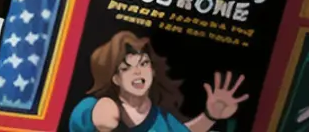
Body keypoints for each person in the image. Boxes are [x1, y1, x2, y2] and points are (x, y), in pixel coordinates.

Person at [68, 31, 249, 131]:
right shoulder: (94, 106)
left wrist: (210, 116)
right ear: (115, 78)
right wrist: (102, 108)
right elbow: (96, 120)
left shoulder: (160, 118)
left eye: (144, 63)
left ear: (152, 71)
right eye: (126, 67)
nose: (138, 72)